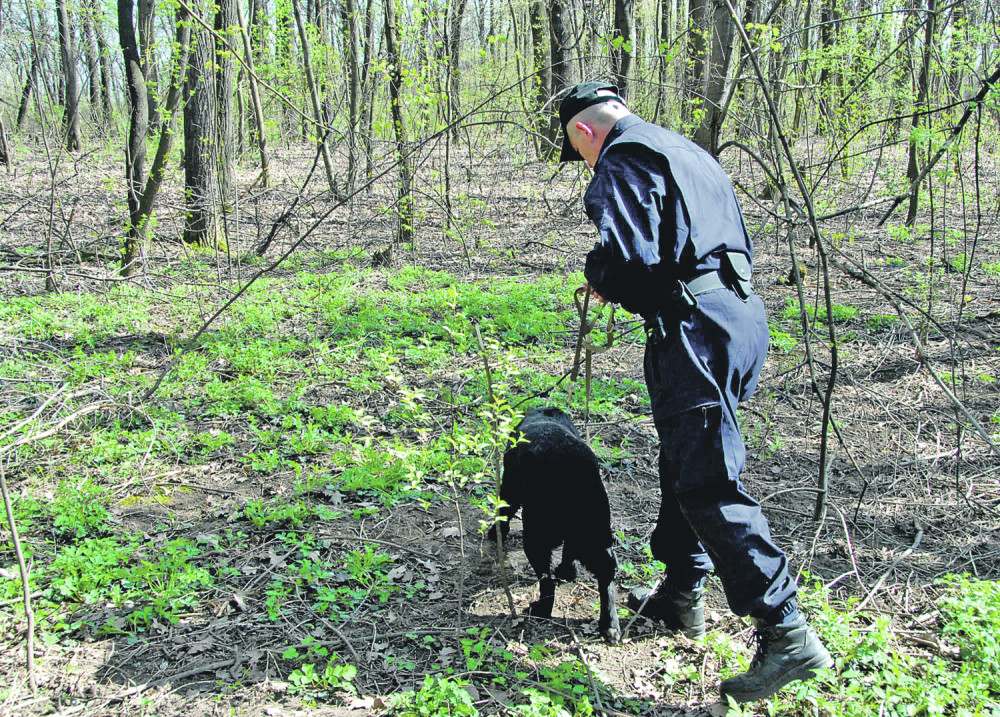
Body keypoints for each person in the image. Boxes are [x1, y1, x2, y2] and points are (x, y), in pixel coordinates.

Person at [557, 81, 834, 703]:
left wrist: (599, 277)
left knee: (706, 477)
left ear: (584, 133)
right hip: (736, 316)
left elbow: (628, 255)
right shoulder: (687, 150)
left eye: (580, 155)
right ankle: (681, 594)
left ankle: (786, 630)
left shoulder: (625, 157)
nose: (586, 164)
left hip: (694, 329)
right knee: (685, 458)